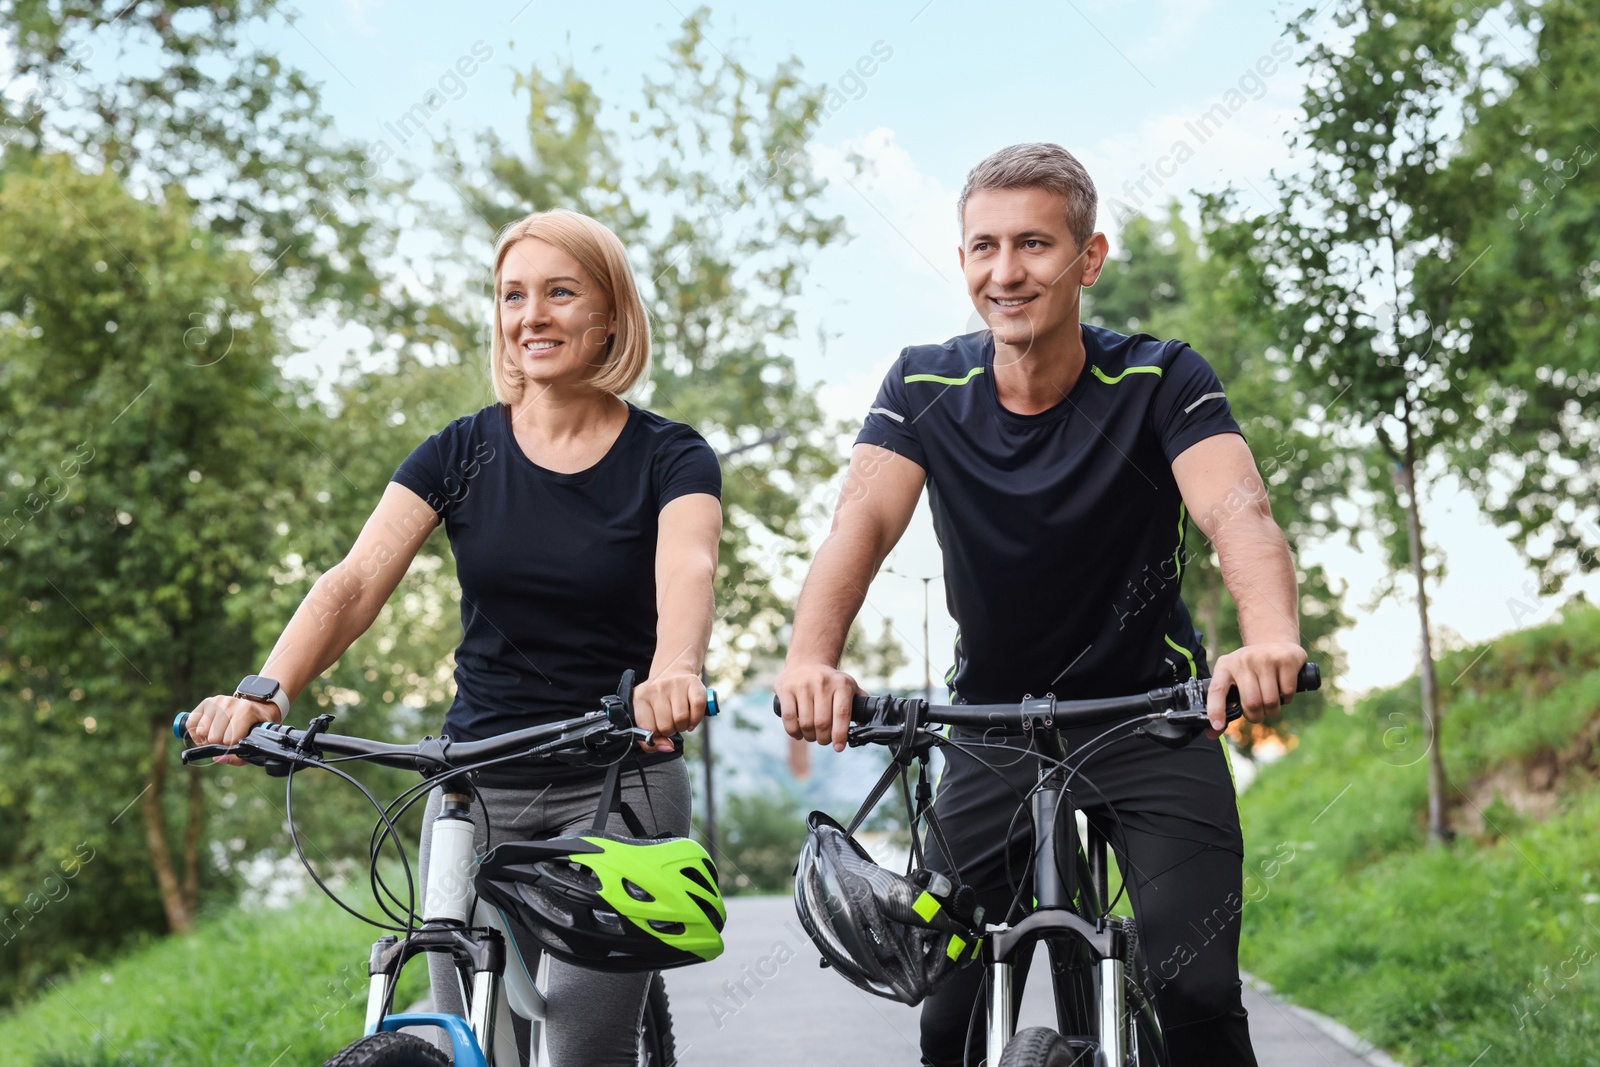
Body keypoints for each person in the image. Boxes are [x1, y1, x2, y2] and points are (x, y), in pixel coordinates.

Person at [774, 143, 1306, 1067]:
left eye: (1033, 244)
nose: (1006, 271)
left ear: (1087, 259)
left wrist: (1269, 642)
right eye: (985, 247)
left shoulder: (1160, 379)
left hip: (1151, 717)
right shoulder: (923, 385)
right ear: (965, 261)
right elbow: (858, 526)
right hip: (988, 724)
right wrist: (811, 658)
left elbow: (1238, 511)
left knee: (1196, 986)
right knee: (943, 999)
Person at [185, 208, 722, 1066]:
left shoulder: (670, 456)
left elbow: (687, 568)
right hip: (473, 786)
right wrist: (265, 689)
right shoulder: (463, 449)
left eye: (560, 292)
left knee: (584, 1041)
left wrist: (674, 669)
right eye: (514, 295)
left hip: (619, 777)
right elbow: (355, 580)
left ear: (611, 316)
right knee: (472, 1036)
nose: (531, 315)